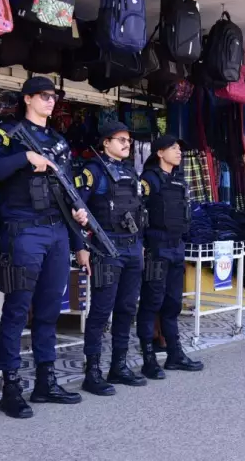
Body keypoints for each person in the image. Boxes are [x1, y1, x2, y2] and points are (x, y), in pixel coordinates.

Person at [0, 76, 88, 419]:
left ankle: (46, 380)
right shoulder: (8, 134)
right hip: (23, 231)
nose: (50, 101)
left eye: (54, 96)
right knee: (16, 310)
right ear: (27, 99)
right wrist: (23, 157)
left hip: (56, 233)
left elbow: (67, 188)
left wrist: (79, 221)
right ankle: (11, 386)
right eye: (43, 95)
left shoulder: (58, 142)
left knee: (48, 311)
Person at [74, 121, 146, 396]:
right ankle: (92, 372)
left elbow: (140, 212)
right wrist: (81, 246)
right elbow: (76, 209)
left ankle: (119, 365)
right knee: (102, 311)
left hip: (131, 247)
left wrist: (140, 244)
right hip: (106, 249)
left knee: (127, 308)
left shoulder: (130, 172)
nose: (127, 144)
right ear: (105, 143)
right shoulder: (93, 172)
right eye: (121, 140)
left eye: (129, 140)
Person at [136, 135, 203, 380]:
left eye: (179, 148)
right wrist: (141, 245)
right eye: (173, 148)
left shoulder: (178, 180)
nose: (178, 152)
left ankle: (175, 354)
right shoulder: (148, 179)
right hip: (156, 247)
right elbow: (136, 213)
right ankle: (148, 358)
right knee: (151, 302)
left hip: (176, 248)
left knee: (173, 303)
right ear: (160, 152)